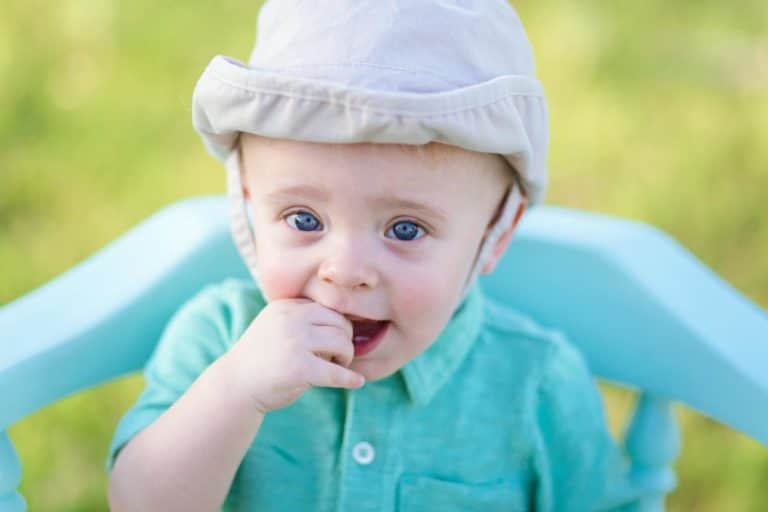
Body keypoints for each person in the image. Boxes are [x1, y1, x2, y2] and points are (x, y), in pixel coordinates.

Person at [106, 1, 662, 510]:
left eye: (405, 228)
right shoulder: (217, 340)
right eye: (304, 220)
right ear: (250, 203)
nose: (345, 271)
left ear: (494, 234)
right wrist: (235, 392)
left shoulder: (539, 386)